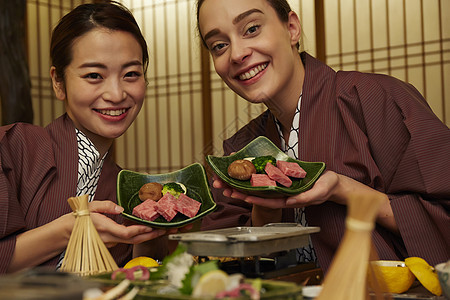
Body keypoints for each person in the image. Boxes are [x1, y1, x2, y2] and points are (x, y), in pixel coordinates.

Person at [197, 0, 450, 272]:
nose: (236, 54)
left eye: (252, 28)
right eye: (219, 45)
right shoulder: (241, 149)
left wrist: (344, 189)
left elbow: (442, 216)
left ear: (292, 28)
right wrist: (266, 211)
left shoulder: (374, 99)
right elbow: (219, 265)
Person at [0, 2, 179, 274]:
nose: (116, 94)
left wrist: (150, 237)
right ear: (58, 82)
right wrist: (70, 229)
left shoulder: (124, 187)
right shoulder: (13, 147)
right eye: (94, 75)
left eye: (131, 74)